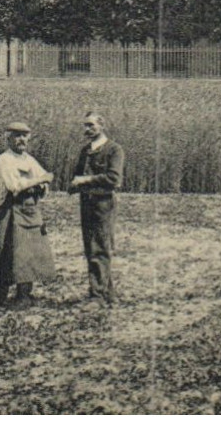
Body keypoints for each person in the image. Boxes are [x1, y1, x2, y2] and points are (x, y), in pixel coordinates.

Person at [0, 121, 56, 307]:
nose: (21, 139)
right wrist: (39, 180)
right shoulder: (4, 160)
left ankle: (24, 294)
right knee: (4, 250)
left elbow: (46, 178)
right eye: (17, 135)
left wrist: (41, 183)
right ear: (8, 138)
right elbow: (14, 186)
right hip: (9, 210)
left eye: (24, 135)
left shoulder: (29, 160)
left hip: (29, 210)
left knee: (28, 252)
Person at [68, 111, 125, 304]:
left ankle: (97, 295)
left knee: (100, 248)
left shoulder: (114, 150)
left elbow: (114, 179)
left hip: (103, 205)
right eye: (85, 125)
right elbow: (77, 175)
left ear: (102, 126)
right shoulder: (86, 150)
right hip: (86, 204)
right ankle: (107, 294)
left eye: (91, 125)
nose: (87, 129)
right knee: (91, 248)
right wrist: (74, 184)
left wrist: (87, 179)